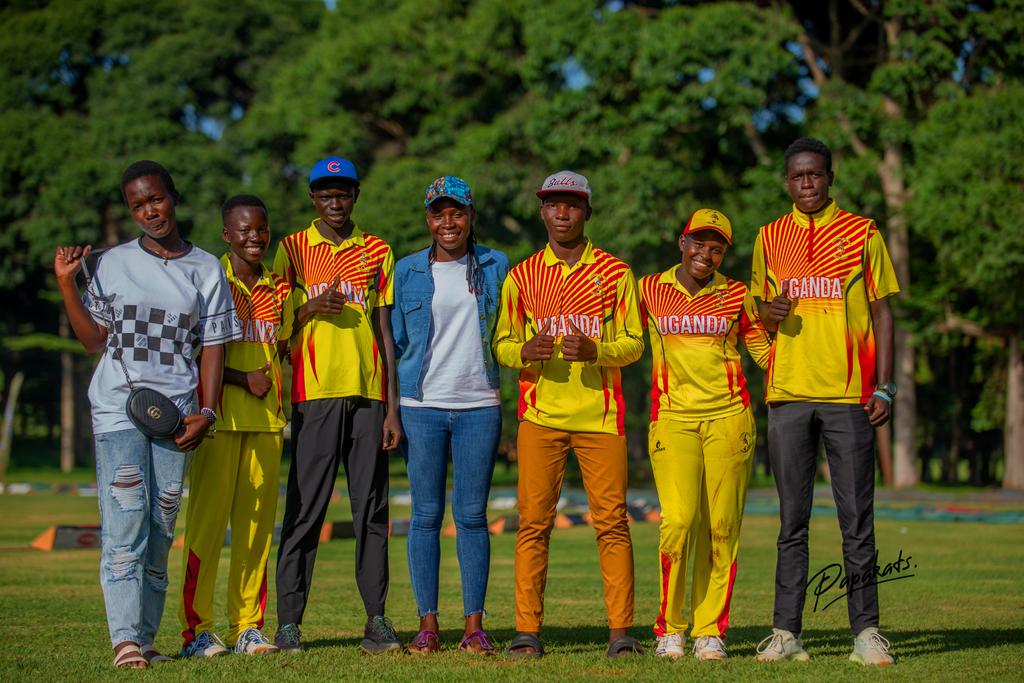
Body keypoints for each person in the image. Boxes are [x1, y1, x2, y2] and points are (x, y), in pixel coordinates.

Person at [53, 161, 239, 669]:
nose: (149, 211)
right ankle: (124, 641)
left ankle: (149, 640)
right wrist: (69, 285)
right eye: (137, 205)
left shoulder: (205, 268)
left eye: (155, 199)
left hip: (177, 417)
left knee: (161, 527)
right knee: (125, 524)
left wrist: (207, 411)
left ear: (172, 197)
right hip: (118, 409)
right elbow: (95, 341)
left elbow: (214, 348)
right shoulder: (112, 264)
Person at [750, 138, 899, 666]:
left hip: (848, 396)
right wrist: (769, 311)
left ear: (830, 177)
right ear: (786, 182)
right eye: (797, 176)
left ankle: (867, 634)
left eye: (814, 175)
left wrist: (885, 385)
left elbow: (882, 312)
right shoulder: (769, 237)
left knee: (856, 518)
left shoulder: (863, 232)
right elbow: (755, 315)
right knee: (792, 521)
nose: (806, 184)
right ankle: (786, 633)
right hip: (788, 395)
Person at [493, 170, 645, 659]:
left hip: (600, 417)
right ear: (542, 212)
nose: (562, 213)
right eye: (553, 204)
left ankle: (621, 632)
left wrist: (597, 349)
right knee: (533, 524)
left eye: (572, 204)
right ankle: (526, 633)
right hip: (540, 417)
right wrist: (526, 351)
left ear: (586, 212)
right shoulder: (521, 276)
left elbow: (635, 343)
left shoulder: (616, 273)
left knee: (612, 523)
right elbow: (501, 345)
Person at [272, 156, 402, 654]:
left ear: (355, 195)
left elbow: (387, 335)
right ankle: (289, 625)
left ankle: (377, 620)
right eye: (325, 192)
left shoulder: (377, 250)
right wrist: (308, 308)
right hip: (313, 396)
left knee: (371, 509)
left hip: (368, 396)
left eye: (343, 192)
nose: (334, 200)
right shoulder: (291, 249)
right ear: (312, 198)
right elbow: (274, 330)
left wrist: (391, 408)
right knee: (306, 509)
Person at [639, 209, 772, 661]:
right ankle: (670, 628)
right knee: (678, 521)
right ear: (682, 242)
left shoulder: (737, 295)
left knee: (722, 527)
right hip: (672, 419)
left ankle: (709, 630)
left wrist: (804, 358)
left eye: (716, 248)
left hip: (730, 420)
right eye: (699, 242)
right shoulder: (648, 290)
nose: (706, 253)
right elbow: (623, 337)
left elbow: (760, 351)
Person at [391, 176, 510, 655]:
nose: (448, 222)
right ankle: (427, 625)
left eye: (457, 212)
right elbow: (397, 342)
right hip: (422, 406)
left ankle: (475, 627)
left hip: (479, 403)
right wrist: (392, 410)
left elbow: (508, 326)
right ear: (428, 219)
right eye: (439, 213)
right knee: (424, 516)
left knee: (472, 516)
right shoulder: (407, 271)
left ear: (470, 216)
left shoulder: (496, 265)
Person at [178, 195, 291, 657]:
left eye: (261, 229)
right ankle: (198, 631)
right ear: (227, 235)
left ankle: (248, 626)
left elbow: (281, 349)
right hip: (217, 421)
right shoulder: (208, 281)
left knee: (255, 532)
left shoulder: (280, 287)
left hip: (266, 425)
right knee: (206, 528)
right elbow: (188, 351)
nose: (254, 238)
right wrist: (242, 378)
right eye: (244, 230)